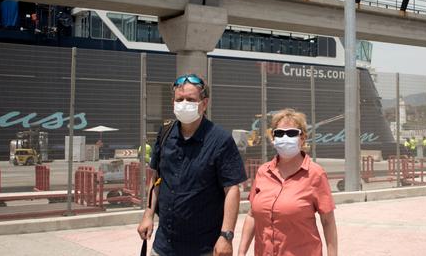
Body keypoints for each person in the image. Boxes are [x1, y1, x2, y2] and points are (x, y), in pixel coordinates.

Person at [137, 73, 247, 256]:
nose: (184, 104)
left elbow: (232, 190)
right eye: (179, 99)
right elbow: (156, 179)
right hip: (164, 245)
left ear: (204, 104)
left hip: (203, 247)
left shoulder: (220, 140)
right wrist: (148, 215)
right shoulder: (165, 134)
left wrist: (226, 236)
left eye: (190, 99)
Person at [237, 109, 338, 256]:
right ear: (273, 138)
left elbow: (328, 221)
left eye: (291, 133)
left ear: (302, 138)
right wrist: (241, 252)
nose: (285, 137)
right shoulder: (263, 172)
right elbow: (252, 215)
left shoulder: (315, 174)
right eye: (279, 133)